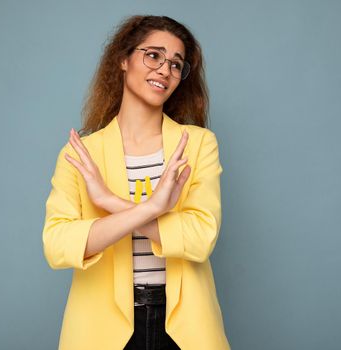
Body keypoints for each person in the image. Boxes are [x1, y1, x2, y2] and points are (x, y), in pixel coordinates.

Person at [42, 15, 231, 350]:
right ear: (123, 59)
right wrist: (153, 209)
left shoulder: (199, 144)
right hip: (102, 329)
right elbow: (58, 244)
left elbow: (201, 238)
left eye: (176, 64)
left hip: (184, 329)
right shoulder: (82, 154)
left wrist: (112, 203)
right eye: (154, 55)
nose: (165, 70)